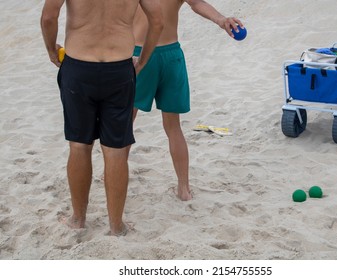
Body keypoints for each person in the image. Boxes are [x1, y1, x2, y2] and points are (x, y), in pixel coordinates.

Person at [40, 0, 163, 236]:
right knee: (116, 149)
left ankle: (78, 219)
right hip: (119, 68)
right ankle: (116, 226)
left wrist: (50, 50)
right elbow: (157, 20)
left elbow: (48, 17)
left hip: (79, 67)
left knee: (79, 145)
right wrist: (143, 61)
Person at [132, 0, 243, 201]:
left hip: (139, 55)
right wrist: (221, 20)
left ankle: (114, 175)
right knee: (173, 127)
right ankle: (184, 189)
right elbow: (197, 3)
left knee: (123, 124)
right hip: (171, 55)